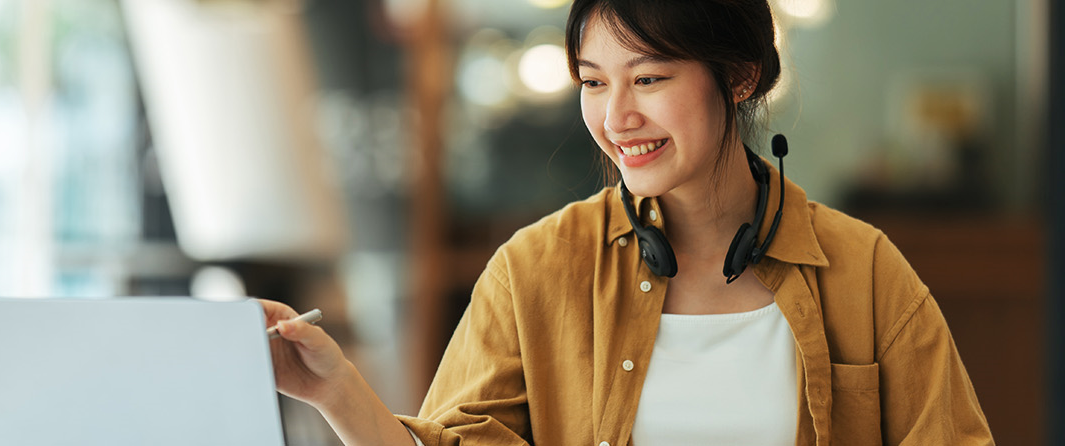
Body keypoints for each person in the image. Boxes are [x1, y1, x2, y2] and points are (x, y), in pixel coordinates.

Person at [261, 0, 994, 444]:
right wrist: (336, 392)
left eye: (648, 79)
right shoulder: (535, 270)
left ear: (739, 76)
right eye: (593, 83)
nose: (616, 119)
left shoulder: (864, 271)